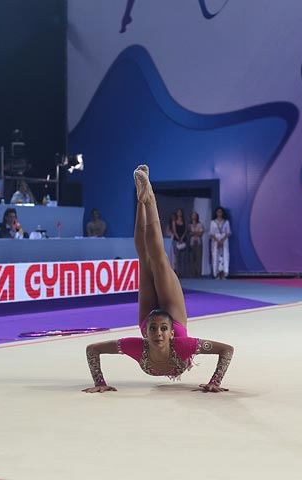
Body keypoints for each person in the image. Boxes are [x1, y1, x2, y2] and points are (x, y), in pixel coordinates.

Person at [83, 165, 234, 393]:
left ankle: (145, 198)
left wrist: (215, 382)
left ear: (170, 332)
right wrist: (100, 384)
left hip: (147, 316)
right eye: (154, 330)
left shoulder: (159, 345)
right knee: (158, 259)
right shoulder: (174, 344)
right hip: (173, 313)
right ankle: (146, 199)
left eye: (162, 329)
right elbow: (91, 349)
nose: (157, 334)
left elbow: (227, 349)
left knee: (147, 259)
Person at [210, 206, 231, 279]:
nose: (219, 213)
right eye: (218, 212)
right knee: (215, 256)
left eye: (220, 212)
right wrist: (218, 240)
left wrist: (222, 240)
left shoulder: (226, 222)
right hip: (216, 240)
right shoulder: (213, 222)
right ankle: (216, 273)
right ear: (216, 213)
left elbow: (228, 232)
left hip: (224, 239)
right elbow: (211, 233)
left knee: (225, 256)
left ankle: (225, 273)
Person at [171, 208, 188, 277]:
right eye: (178, 212)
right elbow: (174, 231)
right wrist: (178, 238)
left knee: (183, 258)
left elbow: (186, 230)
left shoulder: (184, 221)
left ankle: (183, 272)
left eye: (180, 212)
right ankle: (177, 272)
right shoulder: (174, 221)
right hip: (176, 240)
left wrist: (182, 238)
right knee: (177, 257)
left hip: (183, 240)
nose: (179, 213)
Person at [188, 211, 204, 277]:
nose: (194, 216)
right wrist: (196, 232)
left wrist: (194, 233)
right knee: (192, 258)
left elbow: (201, 233)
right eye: (193, 215)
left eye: (195, 215)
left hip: (198, 242)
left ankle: (198, 273)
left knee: (198, 258)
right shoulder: (189, 225)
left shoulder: (200, 225)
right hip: (191, 243)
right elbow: (189, 233)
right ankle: (192, 273)